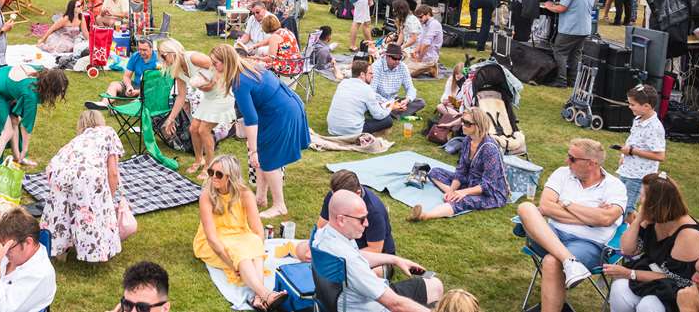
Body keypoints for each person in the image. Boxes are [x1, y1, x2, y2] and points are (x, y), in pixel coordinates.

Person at [515, 138, 627, 311]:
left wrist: (566, 203)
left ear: (592, 163)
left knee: (552, 261)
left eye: (573, 158)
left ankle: (566, 262)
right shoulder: (562, 173)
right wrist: (591, 218)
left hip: (588, 244)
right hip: (549, 234)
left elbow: (605, 219)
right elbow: (545, 206)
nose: (568, 161)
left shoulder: (614, 186)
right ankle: (569, 261)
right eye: (568, 156)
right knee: (526, 208)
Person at [213, 45, 309, 219]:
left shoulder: (239, 82)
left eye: (216, 63)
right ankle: (260, 197)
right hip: (284, 106)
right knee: (265, 156)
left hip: (280, 113)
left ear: (226, 62)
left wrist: (253, 149)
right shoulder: (250, 65)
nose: (214, 67)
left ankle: (280, 205)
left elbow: (250, 119)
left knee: (270, 160)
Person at [314, 190, 444, 312]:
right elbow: (395, 304)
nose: (367, 224)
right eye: (361, 219)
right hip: (373, 306)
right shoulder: (351, 263)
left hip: (344, 303)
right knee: (436, 286)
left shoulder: (322, 236)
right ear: (341, 219)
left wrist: (395, 259)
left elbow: (357, 254)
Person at [605, 173, 699, 312]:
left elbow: (676, 280)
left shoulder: (689, 235)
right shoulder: (653, 219)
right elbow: (627, 250)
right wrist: (638, 219)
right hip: (652, 279)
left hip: (680, 292)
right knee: (620, 288)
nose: (640, 200)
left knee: (649, 304)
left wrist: (630, 273)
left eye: (643, 196)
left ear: (656, 203)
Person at [192, 155, 287, 311]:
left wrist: (257, 247)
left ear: (230, 177)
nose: (213, 177)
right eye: (211, 172)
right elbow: (211, 238)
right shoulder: (206, 196)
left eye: (219, 174)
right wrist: (231, 264)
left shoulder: (245, 194)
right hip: (214, 241)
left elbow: (257, 230)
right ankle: (266, 294)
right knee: (241, 253)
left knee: (254, 243)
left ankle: (258, 298)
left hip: (240, 234)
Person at [41, 111, 125, 263]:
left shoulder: (77, 140)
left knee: (62, 207)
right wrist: (108, 201)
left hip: (57, 170)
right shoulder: (108, 132)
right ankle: (94, 252)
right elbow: (113, 173)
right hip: (86, 174)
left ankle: (59, 250)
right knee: (90, 209)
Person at [408, 106, 508, 221]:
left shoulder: (490, 149)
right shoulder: (467, 140)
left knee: (462, 201)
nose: (462, 125)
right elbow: (461, 170)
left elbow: (488, 185)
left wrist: (463, 192)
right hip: (469, 181)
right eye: (462, 121)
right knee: (434, 172)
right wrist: (451, 191)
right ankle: (453, 195)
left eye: (467, 123)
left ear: (479, 126)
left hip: (490, 193)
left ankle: (425, 216)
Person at [157, 38, 233, 179]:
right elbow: (181, 96)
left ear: (172, 52)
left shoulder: (193, 58)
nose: (162, 59)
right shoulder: (177, 69)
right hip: (209, 97)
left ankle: (210, 166)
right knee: (193, 128)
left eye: (163, 55)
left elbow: (217, 65)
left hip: (222, 94)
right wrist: (171, 119)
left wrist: (213, 81)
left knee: (204, 129)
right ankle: (199, 160)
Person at [615, 84, 667, 217]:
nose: (629, 106)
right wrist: (623, 154)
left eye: (633, 104)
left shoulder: (654, 128)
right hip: (627, 170)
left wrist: (632, 151)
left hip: (639, 176)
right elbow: (632, 139)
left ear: (646, 106)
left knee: (626, 209)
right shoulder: (638, 119)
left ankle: (634, 233)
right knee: (617, 202)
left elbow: (660, 156)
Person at [541, 0, 596, 88]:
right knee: (575, 54)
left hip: (570, 28)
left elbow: (561, 9)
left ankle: (561, 80)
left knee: (560, 52)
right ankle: (573, 80)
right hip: (585, 29)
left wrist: (549, 6)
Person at [328, 59, 393, 135]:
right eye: (370, 73)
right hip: (351, 131)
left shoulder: (343, 83)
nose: (373, 76)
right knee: (388, 120)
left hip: (333, 129)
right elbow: (379, 115)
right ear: (362, 74)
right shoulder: (367, 89)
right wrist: (390, 107)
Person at [91, 38, 157, 108]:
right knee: (114, 85)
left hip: (150, 88)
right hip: (136, 85)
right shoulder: (135, 56)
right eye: (140, 49)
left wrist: (138, 91)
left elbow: (157, 84)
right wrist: (129, 86)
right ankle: (104, 104)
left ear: (151, 48)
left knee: (148, 94)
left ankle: (127, 107)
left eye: (144, 50)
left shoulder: (158, 60)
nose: (141, 52)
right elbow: (126, 76)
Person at [372, 44, 425, 118]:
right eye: (394, 58)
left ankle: (391, 113)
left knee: (420, 102)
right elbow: (371, 92)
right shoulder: (376, 67)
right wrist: (389, 104)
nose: (397, 61)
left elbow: (410, 87)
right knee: (372, 103)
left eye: (399, 58)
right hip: (380, 101)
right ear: (386, 56)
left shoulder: (402, 67)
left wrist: (407, 100)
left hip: (394, 100)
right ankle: (396, 113)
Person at [405, 5, 442, 78]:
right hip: (423, 57)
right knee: (402, 66)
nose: (419, 19)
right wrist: (415, 51)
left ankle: (431, 68)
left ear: (428, 14)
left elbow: (426, 45)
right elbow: (420, 41)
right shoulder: (425, 25)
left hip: (429, 58)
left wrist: (419, 60)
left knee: (408, 73)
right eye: (418, 17)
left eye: (421, 17)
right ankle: (427, 68)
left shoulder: (434, 24)